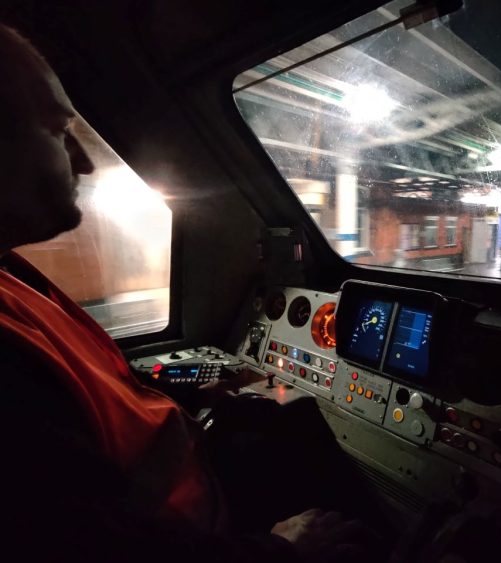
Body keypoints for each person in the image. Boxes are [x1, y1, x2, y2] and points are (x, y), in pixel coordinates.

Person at [0, 23, 380, 562]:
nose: (83, 161)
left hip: (186, 479)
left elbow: (110, 387)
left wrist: (191, 382)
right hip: (186, 527)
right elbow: (95, 545)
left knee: (277, 420)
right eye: (59, 129)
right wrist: (281, 551)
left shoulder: (11, 277)